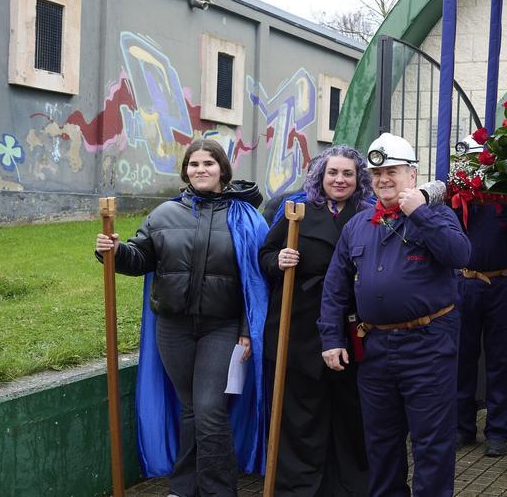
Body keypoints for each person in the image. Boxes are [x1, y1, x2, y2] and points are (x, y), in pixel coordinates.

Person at [94, 139, 268, 497]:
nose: (200, 170)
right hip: (173, 328)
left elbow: (255, 280)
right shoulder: (164, 214)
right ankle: (185, 487)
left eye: (208, 163)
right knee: (190, 408)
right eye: (193, 164)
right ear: (186, 171)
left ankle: (220, 491)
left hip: (222, 328)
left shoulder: (244, 217)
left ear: (223, 169)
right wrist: (114, 251)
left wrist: (246, 328)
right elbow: (139, 258)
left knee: (209, 409)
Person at [318, 133, 471, 497]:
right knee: (381, 444)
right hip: (376, 349)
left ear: (412, 175)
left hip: (428, 346)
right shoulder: (358, 225)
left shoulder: (437, 215)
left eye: (392, 171)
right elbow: (335, 286)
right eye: (377, 173)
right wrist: (331, 338)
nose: (384, 179)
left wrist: (419, 213)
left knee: (432, 444)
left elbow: (460, 254)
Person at [258, 145, 373, 496]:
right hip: (298, 323)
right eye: (332, 173)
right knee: (300, 410)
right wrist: (278, 260)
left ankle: (349, 485)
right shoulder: (296, 211)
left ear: (358, 178)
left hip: (351, 323)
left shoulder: (369, 214)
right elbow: (264, 255)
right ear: (320, 176)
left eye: (348, 173)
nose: (339, 180)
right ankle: (299, 485)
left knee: (349, 408)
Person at [451, 138, 507, 457]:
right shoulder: (457, 196)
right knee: (462, 356)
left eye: (479, 163)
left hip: (503, 283)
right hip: (465, 283)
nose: (474, 169)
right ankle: (462, 426)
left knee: (500, 358)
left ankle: (498, 430)